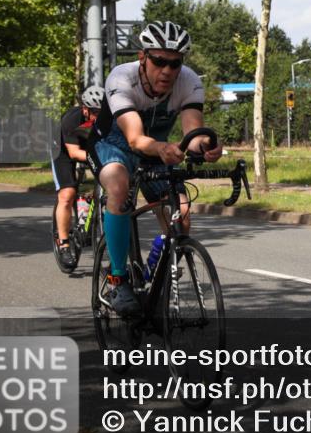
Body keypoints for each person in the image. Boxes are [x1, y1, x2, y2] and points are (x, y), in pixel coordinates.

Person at [93, 21, 222, 315]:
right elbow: (135, 138)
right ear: (143, 57)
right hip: (113, 144)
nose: (167, 70)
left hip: (156, 149)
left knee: (183, 217)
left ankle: (153, 276)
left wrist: (206, 145)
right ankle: (118, 279)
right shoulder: (122, 78)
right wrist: (163, 149)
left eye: (174, 63)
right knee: (118, 186)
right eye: (159, 61)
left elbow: (193, 133)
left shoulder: (188, 81)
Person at [52, 85, 105, 268]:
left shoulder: (109, 118)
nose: (99, 116)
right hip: (63, 150)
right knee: (67, 194)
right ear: (85, 109)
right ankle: (64, 243)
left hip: (89, 145)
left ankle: (89, 215)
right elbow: (74, 153)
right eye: (95, 112)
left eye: (103, 111)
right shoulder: (71, 119)